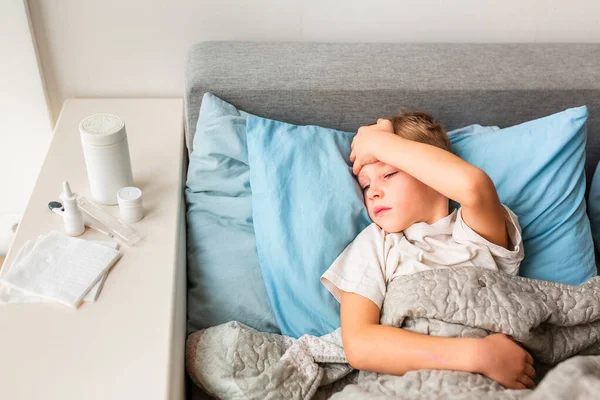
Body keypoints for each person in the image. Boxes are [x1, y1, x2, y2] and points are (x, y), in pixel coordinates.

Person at [320, 110, 535, 390]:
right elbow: (359, 345)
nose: (372, 192)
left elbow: (473, 187)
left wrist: (378, 144)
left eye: (389, 173)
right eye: (366, 184)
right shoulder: (375, 243)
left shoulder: (476, 233)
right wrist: (477, 355)